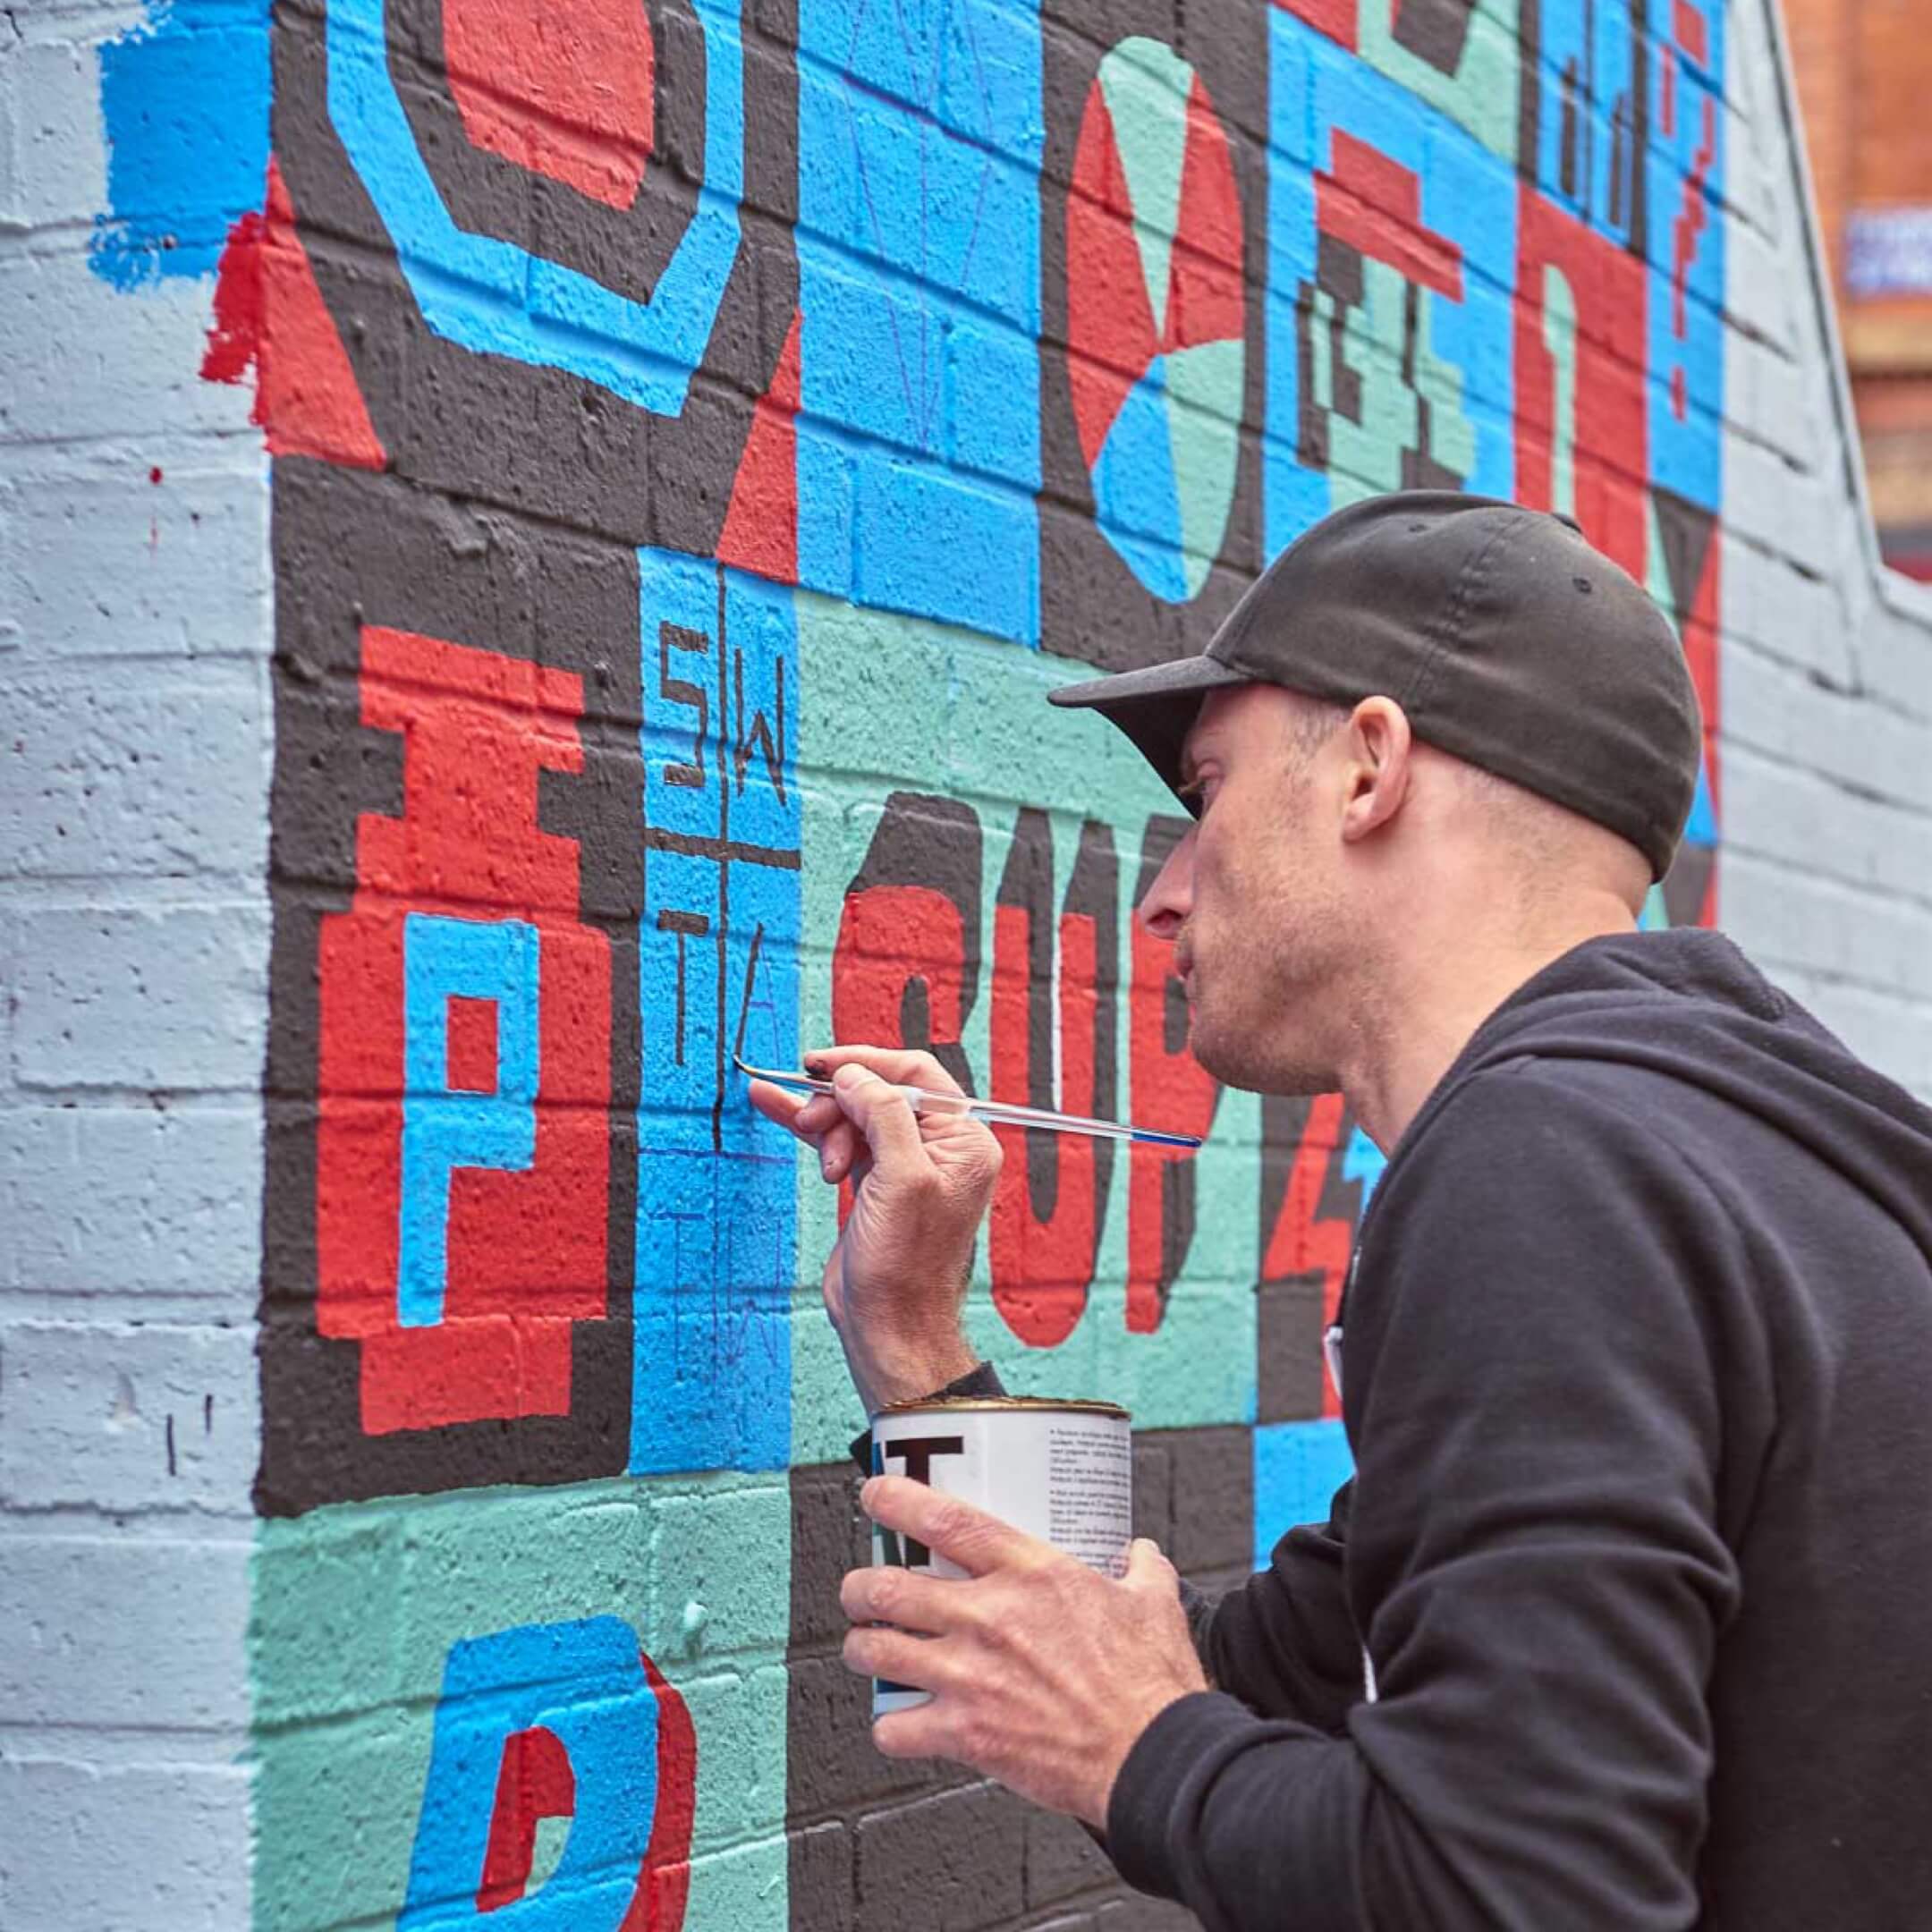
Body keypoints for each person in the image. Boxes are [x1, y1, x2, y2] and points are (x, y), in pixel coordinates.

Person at [749, 492, 1932, 1930]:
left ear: (1371, 767)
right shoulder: (1732, 1153)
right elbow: (1234, 1691)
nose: (1166, 895)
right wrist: (913, 1335)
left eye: (1205, 793)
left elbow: (1513, 1894)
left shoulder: (1541, 1173)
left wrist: (1139, 1752)